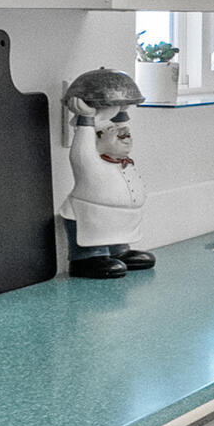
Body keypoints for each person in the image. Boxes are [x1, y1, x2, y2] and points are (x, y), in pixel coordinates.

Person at [61, 67, 154, 279]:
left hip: (118, 221)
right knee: (94, 235)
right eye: (114, 132)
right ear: (97, 140)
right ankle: (89, 258)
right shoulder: (91, 161)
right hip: (90, 217)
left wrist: (121, 111)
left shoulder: (120, 160)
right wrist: (86, 119)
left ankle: (118, 251)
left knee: (112, 230)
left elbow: (123, 129)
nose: (124, 135)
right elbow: (81, 152)